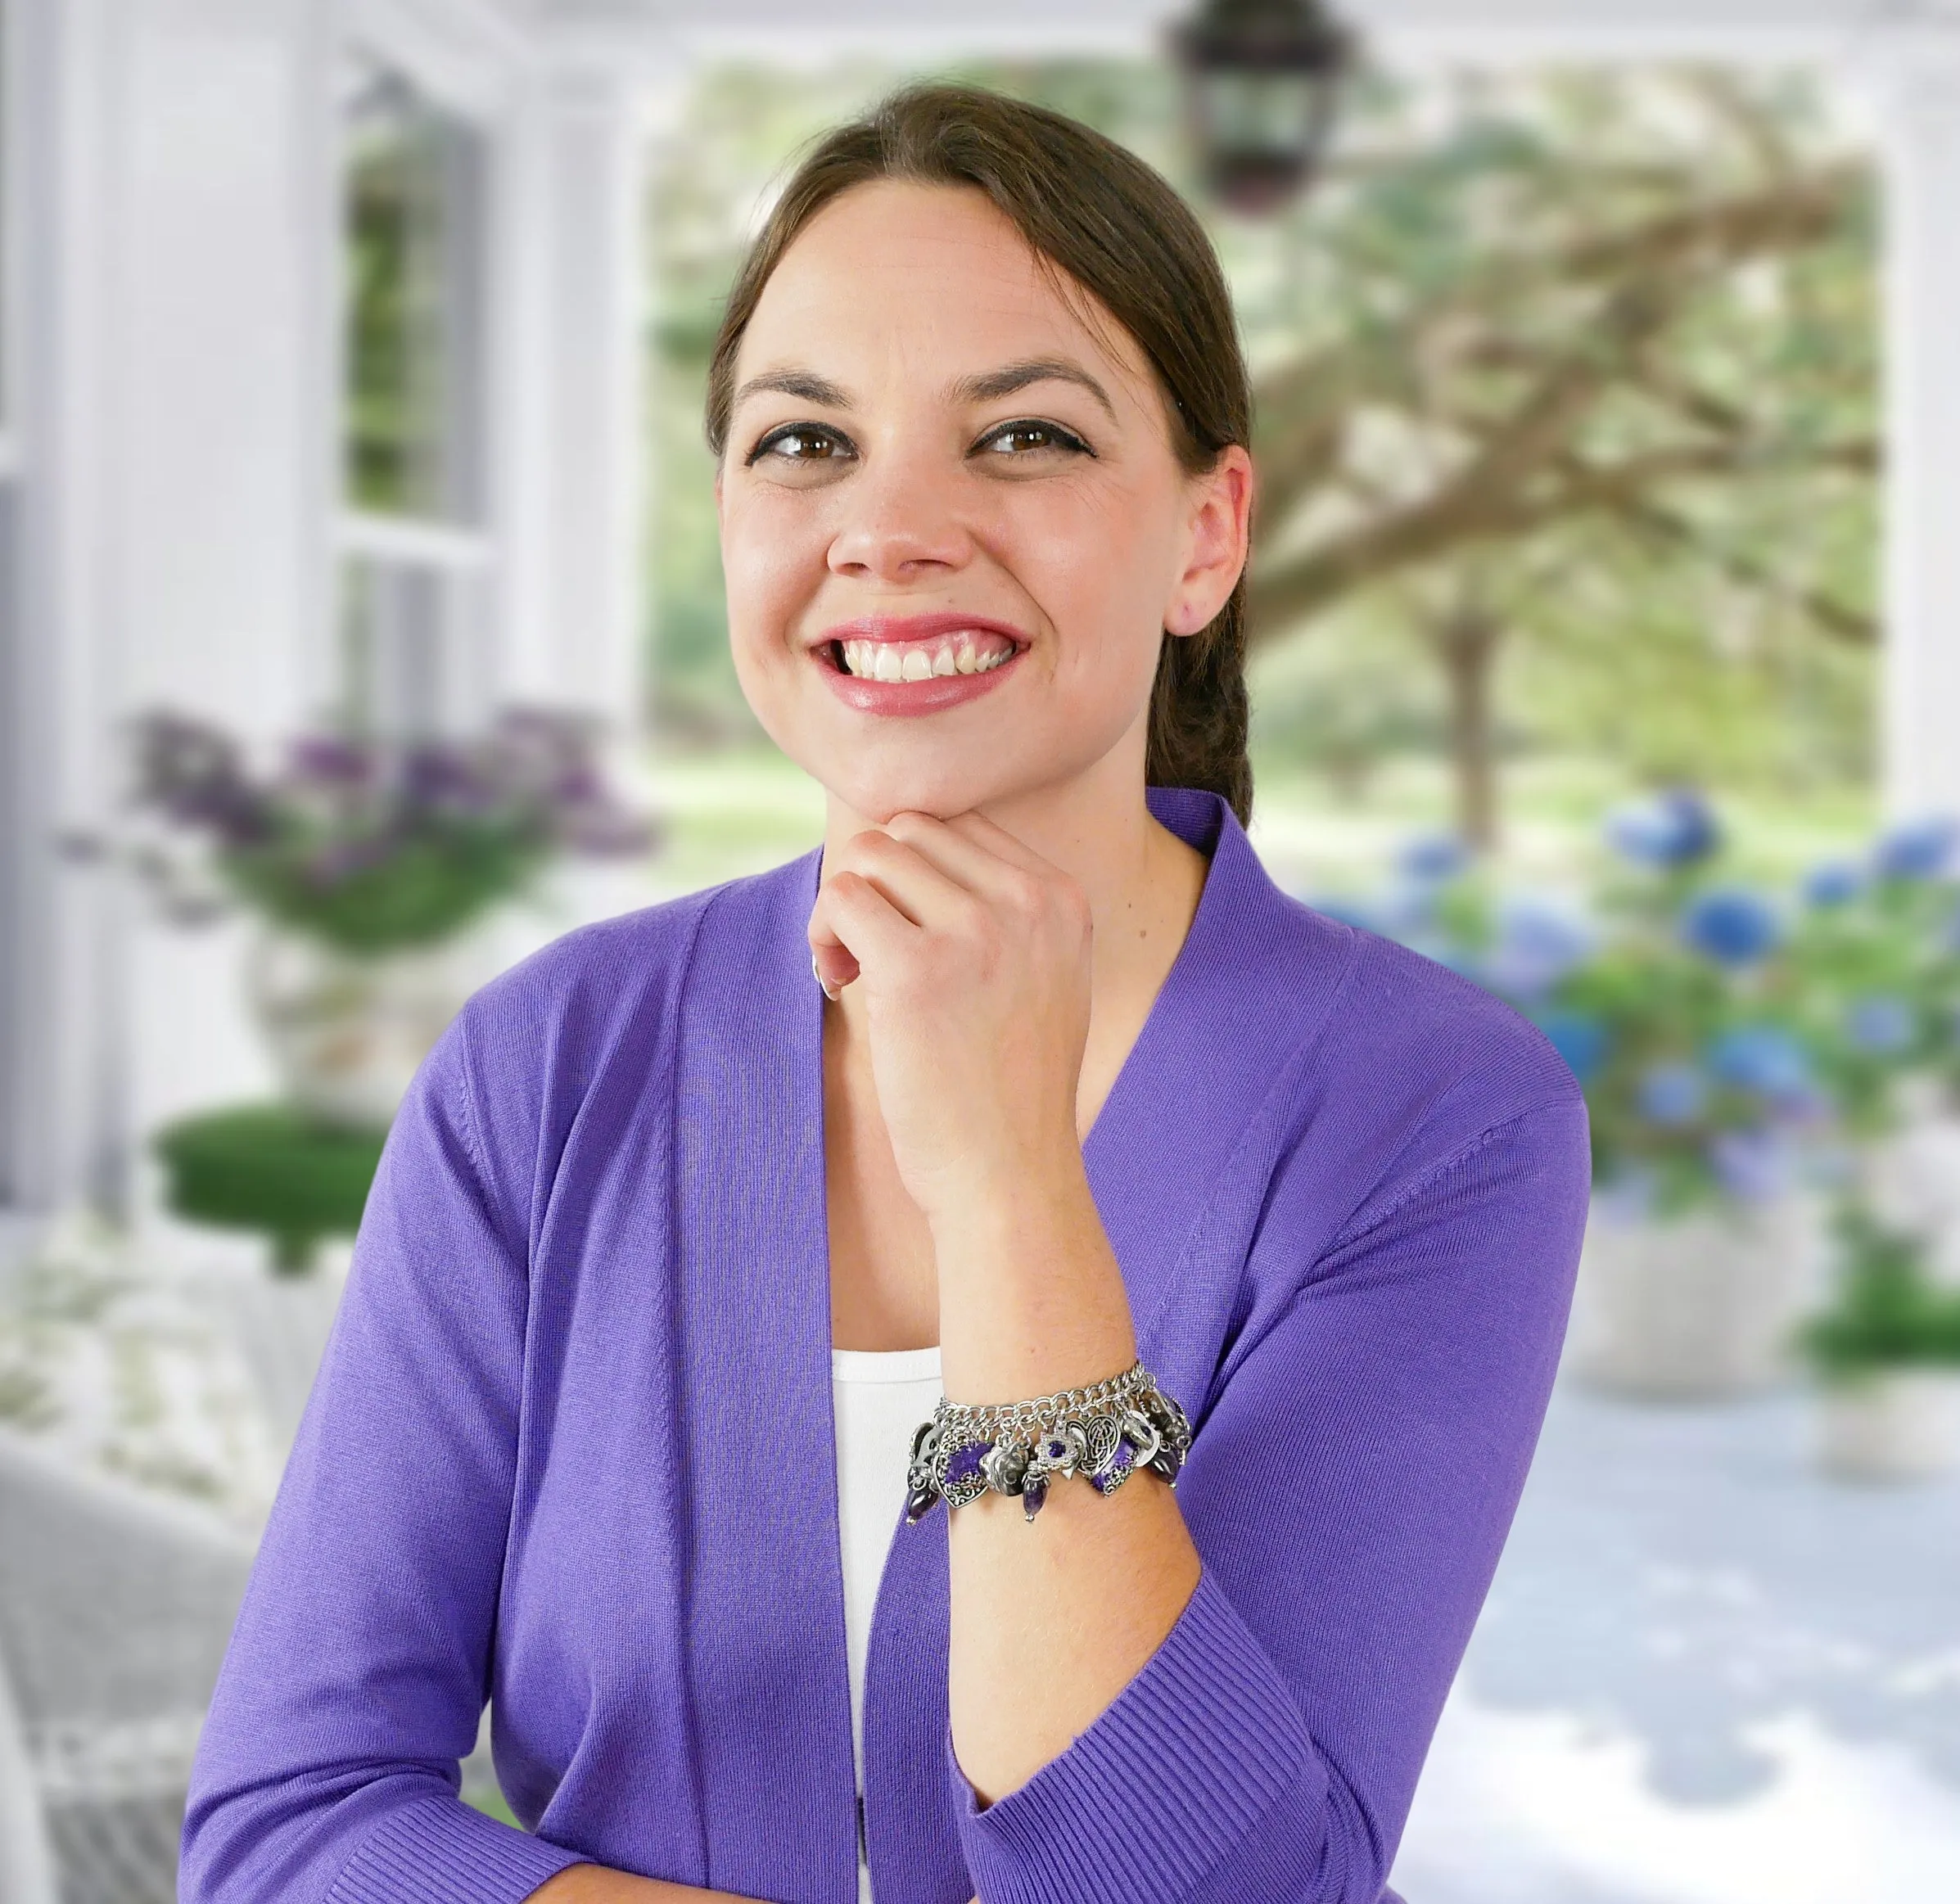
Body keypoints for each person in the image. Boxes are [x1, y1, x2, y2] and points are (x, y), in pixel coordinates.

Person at [178, 82, 1589, 1904]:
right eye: (803, 441)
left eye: (1020, 436)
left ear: (1206, 534)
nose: (892, 525)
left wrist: (1012, 1184)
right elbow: (292, 1826)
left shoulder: (1433, 1114)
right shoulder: (551, 1061)